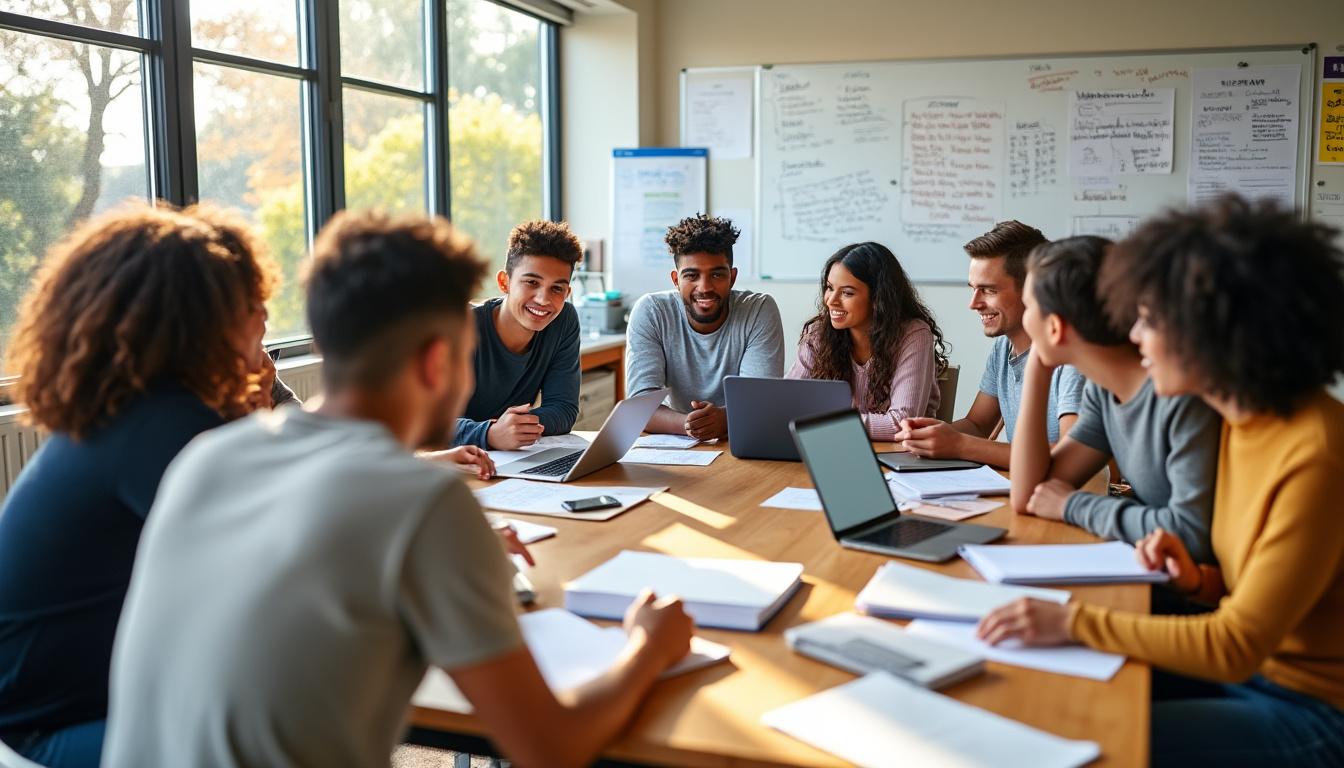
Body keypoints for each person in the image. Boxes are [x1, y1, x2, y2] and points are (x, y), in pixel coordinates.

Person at [102, 210, 694, 768]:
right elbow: (551, 746)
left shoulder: (207, 460)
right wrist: (649, 647)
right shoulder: (425, 502)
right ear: (440, 362)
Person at [977, 196, 1344, 766]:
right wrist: (1199, 579)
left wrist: (1072, 621)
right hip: (1255, 675)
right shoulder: (1243, 424)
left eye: (1149, 318)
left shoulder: (1314, 448)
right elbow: (1254, 596)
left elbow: (1234, 644)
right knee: (1029, 694)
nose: (1136, 336)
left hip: (1314, 711)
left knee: (1080, 733)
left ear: (1211, 332)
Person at [0, 203, 280, 768]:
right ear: (198, 323)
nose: (265, 319)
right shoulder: (162, 422)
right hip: (47, 733)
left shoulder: (136, 412)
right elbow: (276, 558)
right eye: (251, 305)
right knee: (277, 727)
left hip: (77, 705)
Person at [1007, 236, 1219, 563]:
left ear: (1055, 328)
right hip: (1154, 567)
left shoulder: (1181, 395)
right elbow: (1031, 495)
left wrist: (1072, 505)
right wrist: (1038, 369)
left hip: (1197, 591)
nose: (1024, 319)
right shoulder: (1104, 390)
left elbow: (1191, 534)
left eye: (1028, 307)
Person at [895, 221, 1085, 468]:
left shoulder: (1073, 356)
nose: (973, 303)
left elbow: (1069, 458)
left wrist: (959, 445)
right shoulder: (1003, 347)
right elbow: (978, 424)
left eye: (988, 290)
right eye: (973, 289)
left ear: (1033, 289)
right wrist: (931, 435)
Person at [625, 213, 784, 440]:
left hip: (744, 438)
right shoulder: (652, 311)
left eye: (717, 274)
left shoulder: (758, 309)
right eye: (691, 275)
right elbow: (639, 408)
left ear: (733, 277)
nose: (705, 287)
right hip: (677, 442)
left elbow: (759, 403)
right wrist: (691, 424)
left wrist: (724, 420)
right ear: (675, 279)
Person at [786, 242, 948, 439]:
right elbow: (788, 405)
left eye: (847, 292)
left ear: (878, 298)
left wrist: (822, 421)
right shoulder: (819, 333)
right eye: (829, 288)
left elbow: (902, 423)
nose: (831, 300)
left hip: (900, 456)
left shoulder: (914, 334)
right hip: (836, 446)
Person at [452, 220, 582, 451]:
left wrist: (516, 428)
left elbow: (563, 408)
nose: (543, 299)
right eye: (531, 282)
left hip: (509, 461)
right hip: (454, 464)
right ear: (505, 282)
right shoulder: (461, 328)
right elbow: (425, 421)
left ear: (567, 293)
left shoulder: (564, 320)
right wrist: (490, 433)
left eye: (557, 288)